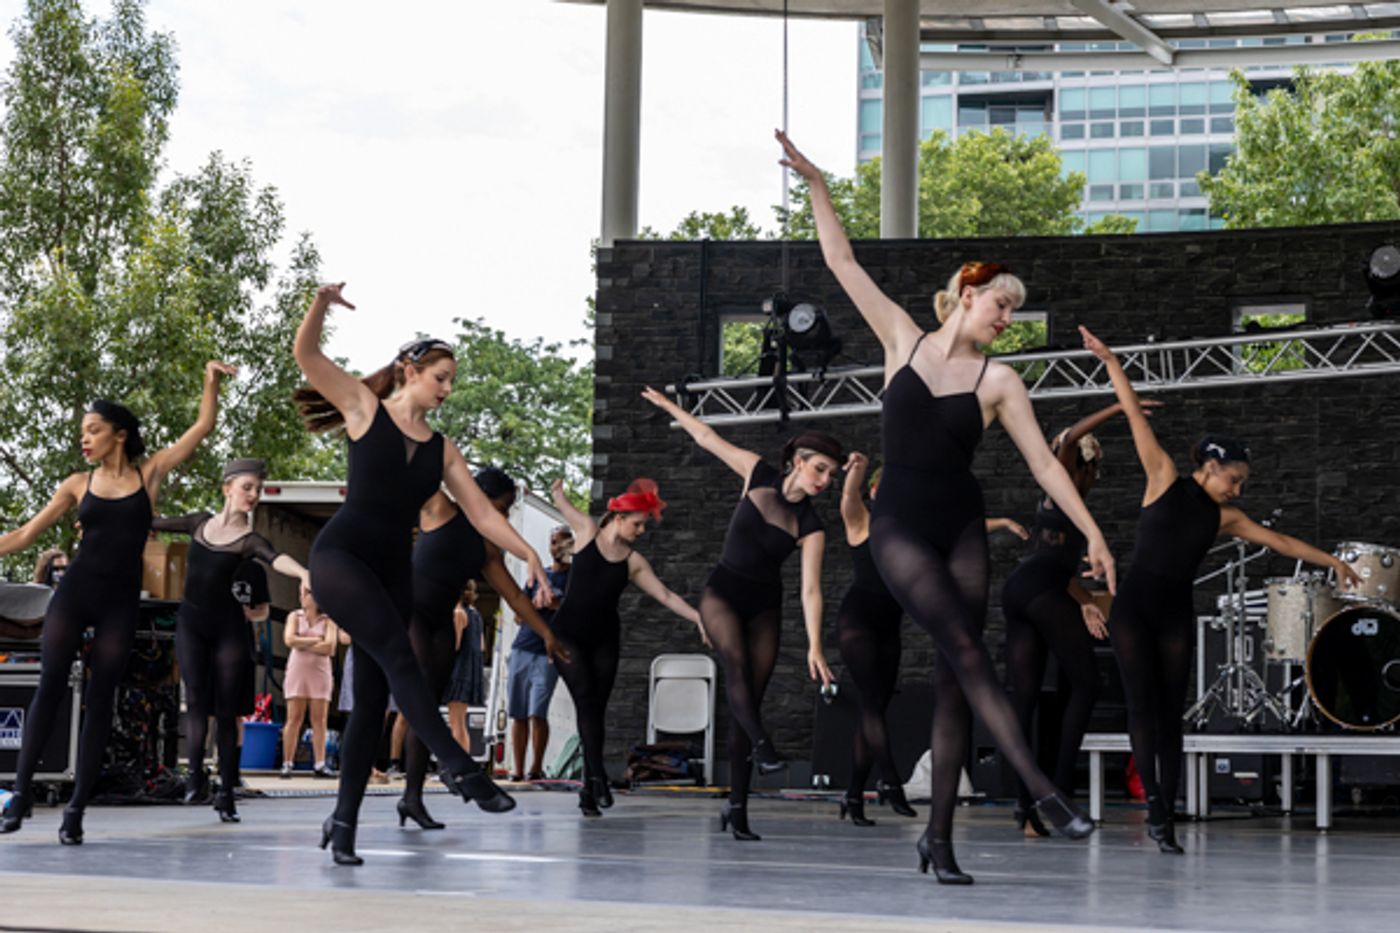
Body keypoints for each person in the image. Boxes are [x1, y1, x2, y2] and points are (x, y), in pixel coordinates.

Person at [778, 130, 1115, 884]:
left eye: (1014, 312)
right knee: (964, 646)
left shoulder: (1002, 382)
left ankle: (940, 840)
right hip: (897, 521)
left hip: (961, 524)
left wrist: (1093, 529)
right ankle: (1040, 787)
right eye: (1002, 304)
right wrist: (818, 185)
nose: (1008, 318)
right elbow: (842, 262)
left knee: (962, 677)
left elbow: (1042, 464)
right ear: (969, 294)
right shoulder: (901, 338)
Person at [293, 282, 551, 865]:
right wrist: (320, 304)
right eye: (441, 378)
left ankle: (344, 822)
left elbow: (482, 513)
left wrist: (530, 554)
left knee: (374, 700)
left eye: (451, 381)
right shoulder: (363, 407)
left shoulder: (443, 451)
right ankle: (459, 769)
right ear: (410, 371)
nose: (447, 390)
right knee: (399, 653)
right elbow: (307, 357)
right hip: (342, 558)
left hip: (391, 572)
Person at [1079, 325, 1360, 853]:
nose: (1238, 488)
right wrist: (1111, 360)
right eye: (1235, 478)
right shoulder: (1162, 477)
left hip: (1174, 610)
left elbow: (1278, 541)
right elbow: (1135, 416)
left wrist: (1333, 562)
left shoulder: (1225, 517)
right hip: (1135, 604)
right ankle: (1156, 811)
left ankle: (1170, 802)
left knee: (1171, 709)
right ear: (1210, 466)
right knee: (1142, 706)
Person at [0, 361, 235, 844]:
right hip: (74, 595)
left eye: (94, 430)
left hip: (118, 606)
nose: (85, 439)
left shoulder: (148, 475)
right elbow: (25, 534)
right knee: (49, 688)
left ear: (119, 435)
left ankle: (76, 812)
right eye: (83, 432)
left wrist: (209, 380)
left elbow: (203, 428)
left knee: (101, 702)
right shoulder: (76, 484)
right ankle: (19, 797)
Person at [641, 387, 841, 842]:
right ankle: (766, 746)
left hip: (765, 607)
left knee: (747, 699)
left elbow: (811, 590)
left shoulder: (812, 526)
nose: (824, 481)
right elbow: (708, 438)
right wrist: (672, 407)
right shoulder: (757, 472)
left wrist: (814, 644)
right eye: (820, 469)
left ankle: (738, 809)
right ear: (798, 461)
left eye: (830, 475)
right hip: (722, 593)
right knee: (735, 669)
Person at [836, 452, 1028, 827]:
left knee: (873, 710)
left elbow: (958, 530)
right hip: (857, 622)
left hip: (890, 628)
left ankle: (853, 796)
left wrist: (1002, 521)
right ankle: (890, 784)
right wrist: (856, 471)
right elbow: (848, 499)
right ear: (877, 491)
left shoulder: (908, 534)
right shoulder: (862, 522)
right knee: (871, 708)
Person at [999, 402, 1153, 836]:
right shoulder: (1062, 482)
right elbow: (1068, 439)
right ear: (1087, 466)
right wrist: (1120, 407)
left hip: (1024, 590)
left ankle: (1026, 807)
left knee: (1027, 700)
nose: (1096, 478)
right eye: (1096, 468)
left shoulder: (1069, 506)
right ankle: (1059, 793)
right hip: (1038, 591)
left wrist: (1085, 599)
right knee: (1084, 684)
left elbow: (1050, 563)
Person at [397, 471, 564, 831]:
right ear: (477, 495)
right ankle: (460, 770)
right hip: (411, 615)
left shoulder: (487, 547)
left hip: (442, 624)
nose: (500, 518)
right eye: (499, 508)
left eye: (505, 513)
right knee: (421, 705)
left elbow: (515, 596)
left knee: (427, 703)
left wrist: (547, 633)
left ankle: (412, 797)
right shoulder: (441, 508)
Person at [151, 458, 314, 822]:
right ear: (227, 488)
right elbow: (151, 521)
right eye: (247, 487)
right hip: (191, 623)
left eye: (258, 489)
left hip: (228, 629)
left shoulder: (249, 541)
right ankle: (194, 777)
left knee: (226, 711)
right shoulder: (197, 523)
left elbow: (277, 558)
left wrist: (304, 572)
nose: (253, 495)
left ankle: (226, 791)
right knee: (194, 700)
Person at [549, 477, 704, 817]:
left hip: (605, 639)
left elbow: (664, 595)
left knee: (596, 711)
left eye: (644, 525)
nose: (641, 530)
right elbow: (565, 507)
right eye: (638, 524)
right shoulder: (588, 532)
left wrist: (699, 619)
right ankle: (598, 776)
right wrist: (558, 494)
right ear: (618, 518)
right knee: (586, 701)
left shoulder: (633, 561)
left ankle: (589, 793)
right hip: (567, 636)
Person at [507, 524, 572, 783]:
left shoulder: (574, 579)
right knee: (518, 712)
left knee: (538, 712)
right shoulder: (538, 575)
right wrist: (531, 608)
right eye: (554, 542)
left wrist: (556, 605)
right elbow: (517, 615)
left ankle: (536, 768)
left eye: (564, 543)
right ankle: (518, 769)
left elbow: (577, 614)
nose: (558, 548)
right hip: (522, 647)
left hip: (549, 652)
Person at [281, 588, 339, 781]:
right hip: (298, 670)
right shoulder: (294, 616)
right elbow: (289, 639)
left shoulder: (329, 619)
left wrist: (301, 641)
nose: (302, 597)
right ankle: (287, 763)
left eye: (306, 593)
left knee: (319, 719)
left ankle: (320, 764)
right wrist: (316, 640)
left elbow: (330, 647)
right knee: (294, 718)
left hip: (320, 673)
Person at [445, 579, 486, 755]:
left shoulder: (458, 613)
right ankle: (463, 762)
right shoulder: (475, 614)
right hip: (472, 670)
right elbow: (482, 645)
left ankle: (459, 764)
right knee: (460, 721)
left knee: (456, 723)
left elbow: (454, 645)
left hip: (459, 671)